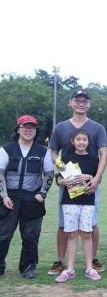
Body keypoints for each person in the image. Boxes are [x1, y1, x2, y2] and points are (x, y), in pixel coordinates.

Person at [48, 89, 107, 275]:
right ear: (71, 103)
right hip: (69, 182)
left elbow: (103, 154)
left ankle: (93, 259)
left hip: (90, 183)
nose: (81, 103)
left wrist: (97, 179)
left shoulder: (97, 128)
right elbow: (53, 152)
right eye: (77, 100)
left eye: (85, 101)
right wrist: (63, 172)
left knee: (92, 222)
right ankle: (60, 261)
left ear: (89, 104)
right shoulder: (61, 127)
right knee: (64, 222)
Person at [0, 115, 54, 279]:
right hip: (9, 197)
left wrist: (42, 194)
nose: (28, 130)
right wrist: (3, 196)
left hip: (33, 199)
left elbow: (49, 174)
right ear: (18, 129)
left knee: (30, 235)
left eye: (32, 127)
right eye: (25, 127)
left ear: (35, 131)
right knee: (3, 234)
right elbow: (0, 173)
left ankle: (28, 267)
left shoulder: (43, 151)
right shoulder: (6, 149)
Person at [54, 130, 101, 282]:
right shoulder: (66, 158)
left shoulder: (94, 158)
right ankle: (70, 269)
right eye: (78, 139)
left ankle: (89, 268)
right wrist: (63, 182)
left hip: (87, 201)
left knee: (86, 234)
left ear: (88, 142)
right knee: (72, 234)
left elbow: (96, 178)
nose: (81, 142)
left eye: (84, 139)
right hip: (69, 202)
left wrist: (88, 177)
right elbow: (58, 179)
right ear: (72, 141)